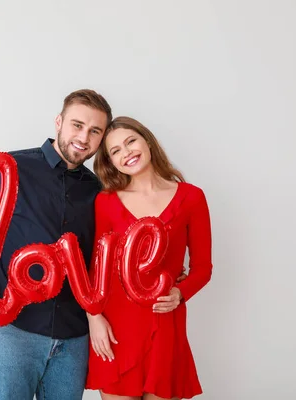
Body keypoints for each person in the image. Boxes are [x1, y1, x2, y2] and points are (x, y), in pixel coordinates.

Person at [0, 89, 112, 400]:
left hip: (74, 334)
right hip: (15, 329)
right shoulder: (13, 167)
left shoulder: (98, 189)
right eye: (77, 125)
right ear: (59, 122)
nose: (83, 137)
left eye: (94, 131)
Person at [86, 116, 213, 400]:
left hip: (165, 323)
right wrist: (94, 318)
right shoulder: (105, 201)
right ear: (111, 161)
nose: (126, 152)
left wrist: (180, 293)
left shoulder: (191, 197)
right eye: (115, 150)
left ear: (147, 141)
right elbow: (97, 269)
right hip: (116, 328)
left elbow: (203, 268)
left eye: (131, 141)